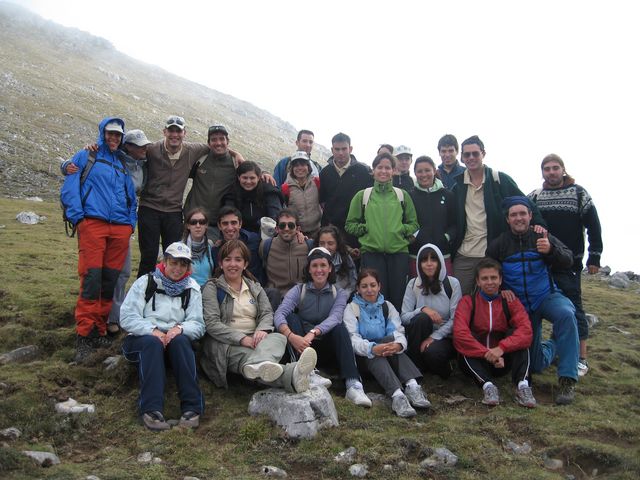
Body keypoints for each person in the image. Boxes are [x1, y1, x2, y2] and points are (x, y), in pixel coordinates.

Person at [486, 196, 580, 405]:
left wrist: (551, 251)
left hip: (546, 296)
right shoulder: (498, 245)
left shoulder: (542, 237)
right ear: (507, 219)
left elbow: (568, 259)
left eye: (522, 214)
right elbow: (489, 272)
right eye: (514, 215)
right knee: (536, 364)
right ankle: (554, 344)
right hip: (521, 307)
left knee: (566, 314)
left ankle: (567, 379)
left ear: (530, 216)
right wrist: (502, 289)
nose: (519, 218)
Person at [60, 117, 137, 362]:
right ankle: (85, 334)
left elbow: (131, 198)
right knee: (92, 279)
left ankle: (100, 330)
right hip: (93, 223)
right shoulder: (86, 156)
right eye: (110, 134)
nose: (113, 138)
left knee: (109, 280)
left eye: (118, 135)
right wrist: (79, 219)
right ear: (102, 134)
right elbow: (70, 188)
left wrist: (129, 225)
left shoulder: (122, 163)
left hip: (119, 230)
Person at [199, 240, 317, 392]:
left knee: (279, 337)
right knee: (251, 358)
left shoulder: (254, 287)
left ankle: (260, 364)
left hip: (256, 340)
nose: (232, 264)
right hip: (227, 344)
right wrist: (242, 339)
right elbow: (212, 324)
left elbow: (267, 313)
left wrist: (261, 330)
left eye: (238, 259)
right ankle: (294, 374)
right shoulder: (212, 288)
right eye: (227, 259)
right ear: (221, 264)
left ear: (245, 264)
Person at [528, 154, 603, 377]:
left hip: (569, 264)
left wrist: (594, 257)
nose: (551, 172)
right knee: (541, 308)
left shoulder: (579, 194)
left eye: (555, 168)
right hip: (542, 263)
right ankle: (545, 351)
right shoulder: (535, 196)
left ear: (563, 170)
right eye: (547, 169)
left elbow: (594, 226)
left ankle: (581, 359)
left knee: (574, 309)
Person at [120, 242, 205, 431]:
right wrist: (152, 330)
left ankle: (192, 408)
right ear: (165, 261)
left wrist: (180, 329)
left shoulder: (192, 288)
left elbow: (198, 324)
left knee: (182, 341)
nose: (178, 268)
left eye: (183, 264)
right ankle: (151, 410)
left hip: (173, 341)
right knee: (152, 344)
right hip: (143, 340)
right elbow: (126, 317)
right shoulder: (145, 282)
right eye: (174, 263)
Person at [274, 247, 372, 407]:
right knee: (291, 318)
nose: (319, 270)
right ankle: (306, 372)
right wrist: (291, 336)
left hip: (325, 344)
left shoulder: (338, 293)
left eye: (323, 265)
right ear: (309, 269)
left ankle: (353, 384)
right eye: (315, 266)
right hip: (301, 345)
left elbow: (335, 317)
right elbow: (279, 314)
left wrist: (313, 332)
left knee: (340, 327)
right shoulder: (299, 290)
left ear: (330, 268)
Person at [451, 135, 545, 295]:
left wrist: (538, 222)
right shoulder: (457, 186)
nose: (471, 157)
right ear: (461, 157)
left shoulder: (499, 179)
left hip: (493, 252)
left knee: (493, 300)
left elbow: (525, 202)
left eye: (475, 153)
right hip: (465, 253)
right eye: (467, 154)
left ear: (483, 154)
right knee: (462, 301)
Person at [344, 269, 431, 418]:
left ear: (379, 286)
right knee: (377, 347)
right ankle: (397, 395)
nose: (369, 290)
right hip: (364, 358)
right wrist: (372, 348)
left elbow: (398, 331)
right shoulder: (352, 309)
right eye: (364, 286)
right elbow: (352, 339)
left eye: (373, 285)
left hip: (388, 353)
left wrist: (398, 345)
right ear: (358, 289)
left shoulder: (387, 306)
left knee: (391, 340)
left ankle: (412, 386)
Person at [453, 258, 536, 408]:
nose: (489, 282)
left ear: (500, 280)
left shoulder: (510, 301)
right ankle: (488, 387)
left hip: (502, 360)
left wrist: (501, 349)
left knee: (520, 340)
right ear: (478, 281)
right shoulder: (467, 301)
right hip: (477, 360)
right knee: (464, 347)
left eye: (493, 278)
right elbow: (460, 334)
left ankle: (523, 386)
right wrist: (487, 354)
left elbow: (526, 331)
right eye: (485, 278)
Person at [137, 116, 211, 277]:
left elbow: (216, 146)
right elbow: (129, 150)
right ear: (164, 132)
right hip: (149, 208)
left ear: (184, 133)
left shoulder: (192, 150)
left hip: (173, 211)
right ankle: (143, 294)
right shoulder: (152, 149)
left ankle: (169, 292)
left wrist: (238, 156)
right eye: (171, 130)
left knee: (174, 256)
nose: (174, 135)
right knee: (148, 256)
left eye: (178, 131)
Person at [345, 152, 419, 310]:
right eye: (380, 167)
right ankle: (377, 332)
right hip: (371, 253)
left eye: (388, 168)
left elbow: (414, 224)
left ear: (394, 170)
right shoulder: (363, 196)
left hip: (399, 253)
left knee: (399, 297)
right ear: (373, 170)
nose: (383, 171)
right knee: (375, 296)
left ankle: (398, 332)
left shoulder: (402, 195)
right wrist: (366, 229)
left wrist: (400, 230)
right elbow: (350, 224)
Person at [401, 244, 461, 379]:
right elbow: (404, 317)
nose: (429, 264)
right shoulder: (413, 284)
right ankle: (416, 368)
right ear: (418, 263)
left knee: (432, 353)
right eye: (424, 260)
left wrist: (433, 337)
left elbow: (455, 318)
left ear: (440, 262)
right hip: (420, 333)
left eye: (433, 259)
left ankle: (445, 369)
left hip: (444, 336)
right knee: (421, 318)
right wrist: (422, 309)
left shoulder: (452, 284)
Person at [319, 132, 373, 248]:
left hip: (355, 230)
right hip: (331, 229)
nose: (340, 153)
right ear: (332, 150)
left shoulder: (363, 171)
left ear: (350, 149)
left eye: (344, 149)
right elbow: (322, 200)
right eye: (337, 149)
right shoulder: (325, 173)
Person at [183, 125, 238, 233]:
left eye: (222, 139)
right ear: (208, 143)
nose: (218, 143)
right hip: (192, 220)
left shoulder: (235, 164)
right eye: (214, 139)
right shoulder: (200, 158)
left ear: (228, 141)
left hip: (217, 225)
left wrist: (264, 174)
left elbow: (250, 174)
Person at [409, 156, 457, 276]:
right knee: (419, 291)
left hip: (442, 254)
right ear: (415, 173)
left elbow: (456, 224)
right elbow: (405, 223)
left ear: (434, 171)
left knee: (443, 291)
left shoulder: (448, 195)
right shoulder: (409, 196)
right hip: (417, 255)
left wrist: (446, 237)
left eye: (427, 170)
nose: (424, 174)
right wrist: (416, 236)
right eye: (419, 171)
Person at [260, 209, 313, 298]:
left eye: (291, 225)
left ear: (298, 229)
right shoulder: (265, 246)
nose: (286, 228)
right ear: (277, 229)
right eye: (282, 225)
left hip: (301, 299)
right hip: (276, 300)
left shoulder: (309, 245)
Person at [224, 161, 284, 234]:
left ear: (259, 177)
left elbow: (276, 214)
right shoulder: (232, 193)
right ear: (238, 177)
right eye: (245, 178)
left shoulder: (269, 190)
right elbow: (228, 215)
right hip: (240, 233)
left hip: (266, 233)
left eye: (252, 178)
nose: (248, 182)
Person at [211, 206, 264, 284]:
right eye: (225, 223)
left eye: (233, 223)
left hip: (256, 289)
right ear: (219, 226)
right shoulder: (216, 250)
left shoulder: (255, 240)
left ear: (240, 224)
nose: (230, 228)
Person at [281, 151, 322, 237]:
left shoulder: (316, 182)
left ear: (308, 167)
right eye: (296, 165)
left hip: (317, 230)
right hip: (297, 233)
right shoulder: (286, 188)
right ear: (291, 168)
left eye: (303, 164)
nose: (300, 168)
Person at [315, 225, 357, 292]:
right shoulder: (313, 260)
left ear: (337, 244)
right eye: (322, 243)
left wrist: (343, 297)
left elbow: (353, 283)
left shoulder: (345, 258)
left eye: (330, 243)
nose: (326, 247)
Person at [181, 208, 215, 288]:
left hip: (208, 291)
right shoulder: (180, 248)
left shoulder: (210, 245)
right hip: (187, 290)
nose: (198, 226)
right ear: (188, 226)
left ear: (206, 225)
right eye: (193, 222)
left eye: (202, 222)